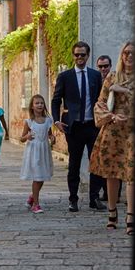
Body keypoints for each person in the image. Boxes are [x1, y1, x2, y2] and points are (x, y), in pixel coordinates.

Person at [51, 41, 105, 212]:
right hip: (73, 127)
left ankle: (94, 198)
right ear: (73, 56)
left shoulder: (95, 76)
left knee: (95, 162)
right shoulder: (65, 76)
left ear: (88, 56)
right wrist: (56, 120)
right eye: (77, 54)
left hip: (92, 126)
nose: (79, 57)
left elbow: (101, 100)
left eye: (82, 54)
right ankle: (73, 199)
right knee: (74, 163)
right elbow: (55, 100)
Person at [90, 42, 135, 235]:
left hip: (133, 130)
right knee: (112, 173)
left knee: (132, 174)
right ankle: (112, 212)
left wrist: (124, 91)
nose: (129, 56)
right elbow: (100, 103)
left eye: (133, 53)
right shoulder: (112, 76)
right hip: (113, 129)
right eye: (126, 53)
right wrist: (111, 116)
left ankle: (131, 216)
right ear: (121, 55)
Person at [19, 95, 56, 213]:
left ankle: (32, 197)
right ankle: (36, 204)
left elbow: (49, 134)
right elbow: (22, 138)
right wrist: (27, 136)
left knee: (42, 176)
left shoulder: (48, 120)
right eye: (37, 103)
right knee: (37, 177)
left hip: (44, 150)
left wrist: (52, 138)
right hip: (33, 151)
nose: (40, 105)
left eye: (41, 103)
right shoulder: (29, 122)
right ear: (32, 106)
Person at [95, 54, 122, 203]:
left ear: (110, 66)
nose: (103, 68)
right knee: (101, 161)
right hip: (98, 122)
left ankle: (113, 195)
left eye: (106, 66)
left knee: (117, 161)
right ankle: (99, 193)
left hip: (116, 124)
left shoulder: (117, 78)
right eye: (101, 66)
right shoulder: (94, 78)